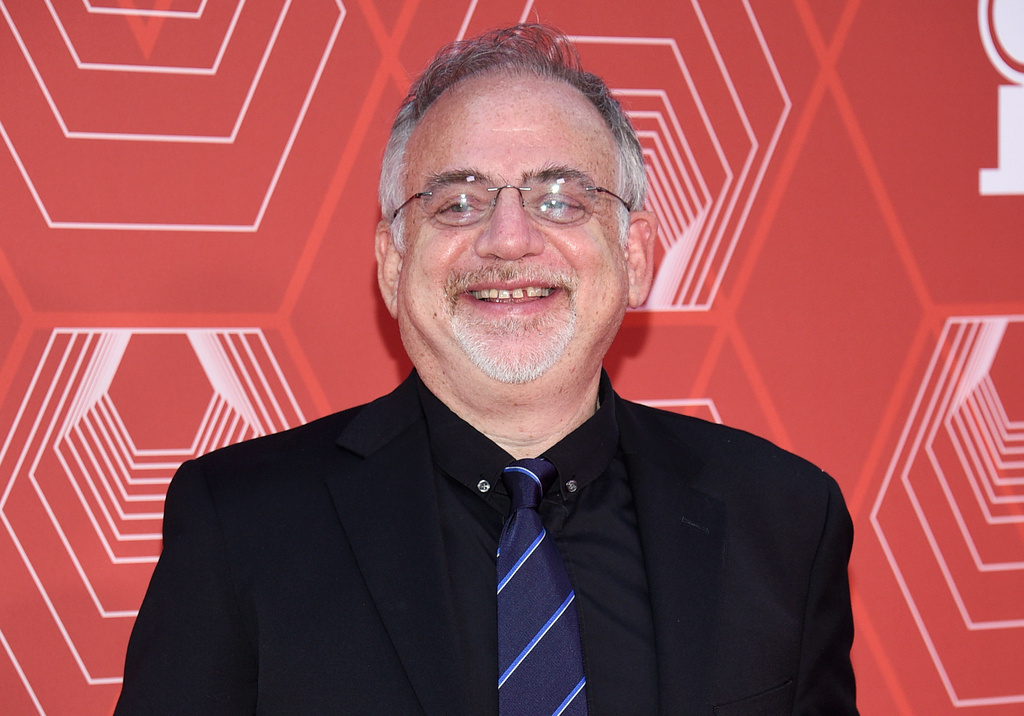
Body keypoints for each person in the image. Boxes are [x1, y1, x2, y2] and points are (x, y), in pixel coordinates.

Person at [115, 24, 857, 715]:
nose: (508, 239)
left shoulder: (787, 521)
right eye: (459, 202)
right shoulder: (242, 523)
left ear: (634, 258)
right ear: (393, 262)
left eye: (561, 200)